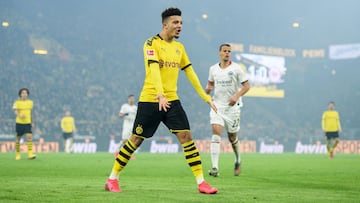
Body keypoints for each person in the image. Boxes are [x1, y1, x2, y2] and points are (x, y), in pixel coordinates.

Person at [105, 7, 218, 194]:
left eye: (181, 23)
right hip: (151, 100)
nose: (180, 26)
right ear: (165, 25)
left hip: (172, 100)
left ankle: (201, 183)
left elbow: (190, 72)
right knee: (136, 140)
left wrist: (205, 97)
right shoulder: (151, 43)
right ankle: (112, 178)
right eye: (176, 22)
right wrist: (159, 93)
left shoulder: (179, 48)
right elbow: (153, 70)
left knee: (186, 137)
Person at [205, 44, 250, 177]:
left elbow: (247, 86)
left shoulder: (236, 68)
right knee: (215, 132)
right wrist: (208, 89)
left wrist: (236, 96)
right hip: (217, 106)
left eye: (229, 51)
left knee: (232, 137)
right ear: (219, 52)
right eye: (225, 51)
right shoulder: (213, 69)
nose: (227, 53)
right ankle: (214, 168)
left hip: (232, 109)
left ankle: (237, 160)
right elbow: (211, 84)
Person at [13, 88, 36, 160]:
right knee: (18, 139)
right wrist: (19, 115)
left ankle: (30, 154)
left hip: (27, 123)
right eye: (23, 93)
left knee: (29, 137)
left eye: (26, 93)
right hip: (19, 123)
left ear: (28, 94)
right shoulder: (17, 102)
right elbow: (15, 111)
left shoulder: (30, 102)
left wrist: (32, 122)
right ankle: (17, 154)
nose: (24, 94)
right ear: (20, 94)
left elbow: (31, 113)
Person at [115, 94, 137, 158]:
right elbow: (120, 115)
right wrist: (125, 114)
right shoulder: (124, 106)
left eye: (133, 98)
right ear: (128, 99)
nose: (132, 100)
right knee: (124, 140)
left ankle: (129, 154)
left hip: (133, 126)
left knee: (132, 140)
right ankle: (117, 151)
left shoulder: (135, 108)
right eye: (131, 98)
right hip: (127, 125)